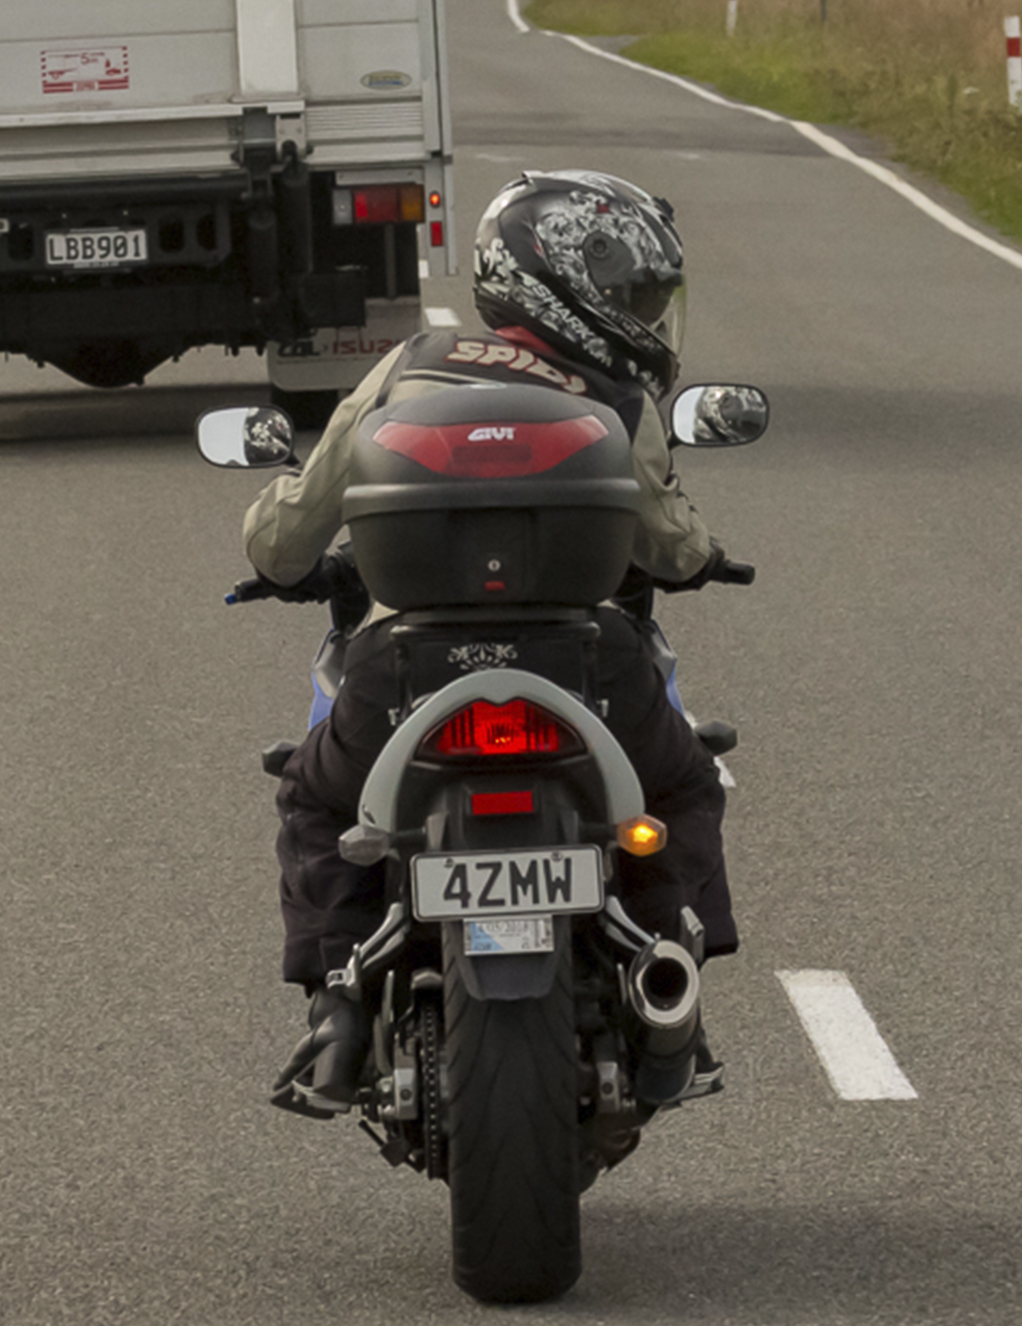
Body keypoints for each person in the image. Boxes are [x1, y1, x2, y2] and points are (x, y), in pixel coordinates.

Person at [242, 170, 746, 1115]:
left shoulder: (406, 368)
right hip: (589, 664)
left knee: (315, 800)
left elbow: (285, 537)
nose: (641, 314)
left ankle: (335, 1005)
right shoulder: (618, 397)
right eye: (629, 293)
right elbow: (669, 550)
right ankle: (672, 983)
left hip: (402, 670)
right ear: (564, 284)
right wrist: (708, 554)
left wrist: (287, 563)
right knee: (683, 784)